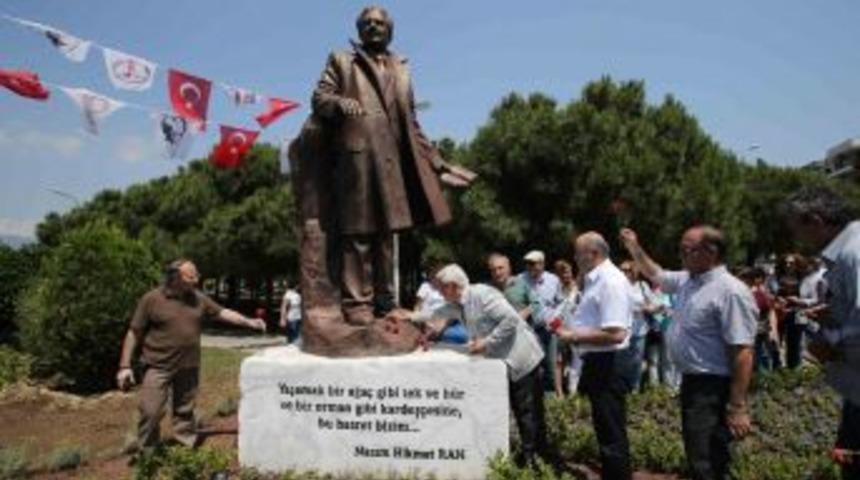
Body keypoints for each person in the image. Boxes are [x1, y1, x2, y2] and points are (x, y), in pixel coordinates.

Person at [308, 6, 473, 325]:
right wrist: (339, 103)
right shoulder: (342, 60)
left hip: (391, 162)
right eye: (367, 23)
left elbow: (411, 123)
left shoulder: (402, 67)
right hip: (357, 160)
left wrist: (440, 167)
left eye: (379, 23)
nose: (373, 27)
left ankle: (385, 303)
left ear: (390, 30)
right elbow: (319, 97)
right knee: (358, 234)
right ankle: (357, 304)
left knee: (386, 235)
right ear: (358, 30)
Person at [620, 226, 757, 480]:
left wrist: (738, 406)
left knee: (707, 460)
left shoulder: (730, 291)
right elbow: (655, 273)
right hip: (693, 383)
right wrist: (634, 246)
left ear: (711, 252)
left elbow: (743, 351)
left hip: (714, 386)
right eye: (681, 249)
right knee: (699, 455)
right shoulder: (687, 280)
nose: (681, 255)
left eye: (687, 250)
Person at [392, 264, 548, 467]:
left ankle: (534, 461)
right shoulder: (457, 303)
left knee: (527, 410)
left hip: (522, 358)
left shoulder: (483, 295)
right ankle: (529, 455)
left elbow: (511, 320)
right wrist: (410, 316)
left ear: (453, 286)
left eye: (441, 287)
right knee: (518, 409)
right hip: (504, 359)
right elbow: (436, 312)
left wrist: (487, 342)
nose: (438, 291)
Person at [117, 259, 267, 453]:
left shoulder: (197, 298)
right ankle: (148, 454)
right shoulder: (152, 299)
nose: (197, 279)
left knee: (184, 411)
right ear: (175, 278)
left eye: (196, 274)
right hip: (157, 366)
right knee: (150, 411)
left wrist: (249, 322)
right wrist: (124, 366)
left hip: (188, 365)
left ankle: (184, 449)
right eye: (192, 276)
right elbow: (134, 332)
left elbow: (223, 312)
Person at [783, 186, 860, 479]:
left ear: (815, 220)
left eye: (797, 229)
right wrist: (832, 314)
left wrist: (830, 342)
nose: (797, 239)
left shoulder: (854, 251)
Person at [554, 232, 633, 480]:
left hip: (609, 362)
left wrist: (574, 336)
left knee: (611, 432)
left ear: (593, 253)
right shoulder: (596, 280)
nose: (575, 258)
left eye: (578, 253)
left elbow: (616, 333)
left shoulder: (610, 281)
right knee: (605, 428)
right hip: (599, 361)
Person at [519, 250, 562, 392]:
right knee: (533, 364)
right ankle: (536, 395)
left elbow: (561, 304)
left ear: (542, 264)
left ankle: (554, 396)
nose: (529, 267)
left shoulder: (553, 280)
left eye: (533, 263)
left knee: (552, 363)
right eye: (527, 264)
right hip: (529, 329)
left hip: (549, 328)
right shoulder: (520, 280)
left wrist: (556, 322)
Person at [738, 267, 780, 372]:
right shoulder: (739, 294)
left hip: (763, 330)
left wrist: (773, 331)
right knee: (753, 360)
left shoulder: (762, 292)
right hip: (748, 333)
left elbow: (771, 311)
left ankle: (764, 384)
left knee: (764, 358)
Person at [554, 259, 582, 395]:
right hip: (560, 331)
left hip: (576, 330)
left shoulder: (578, 288)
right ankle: (559, 392)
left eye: (568, 272)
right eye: (563, 273)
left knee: (577, 360)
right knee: (559, 361)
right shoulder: (556, 290)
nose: (567, 275)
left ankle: (573, 390)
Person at [487, 253, 542, 322]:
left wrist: (525, 312)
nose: (497, 273)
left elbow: (536, 304)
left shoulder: (520, 283)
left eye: (500, 268)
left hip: (523, 330)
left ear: (509, 268)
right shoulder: (487, 290)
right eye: (493, 270)